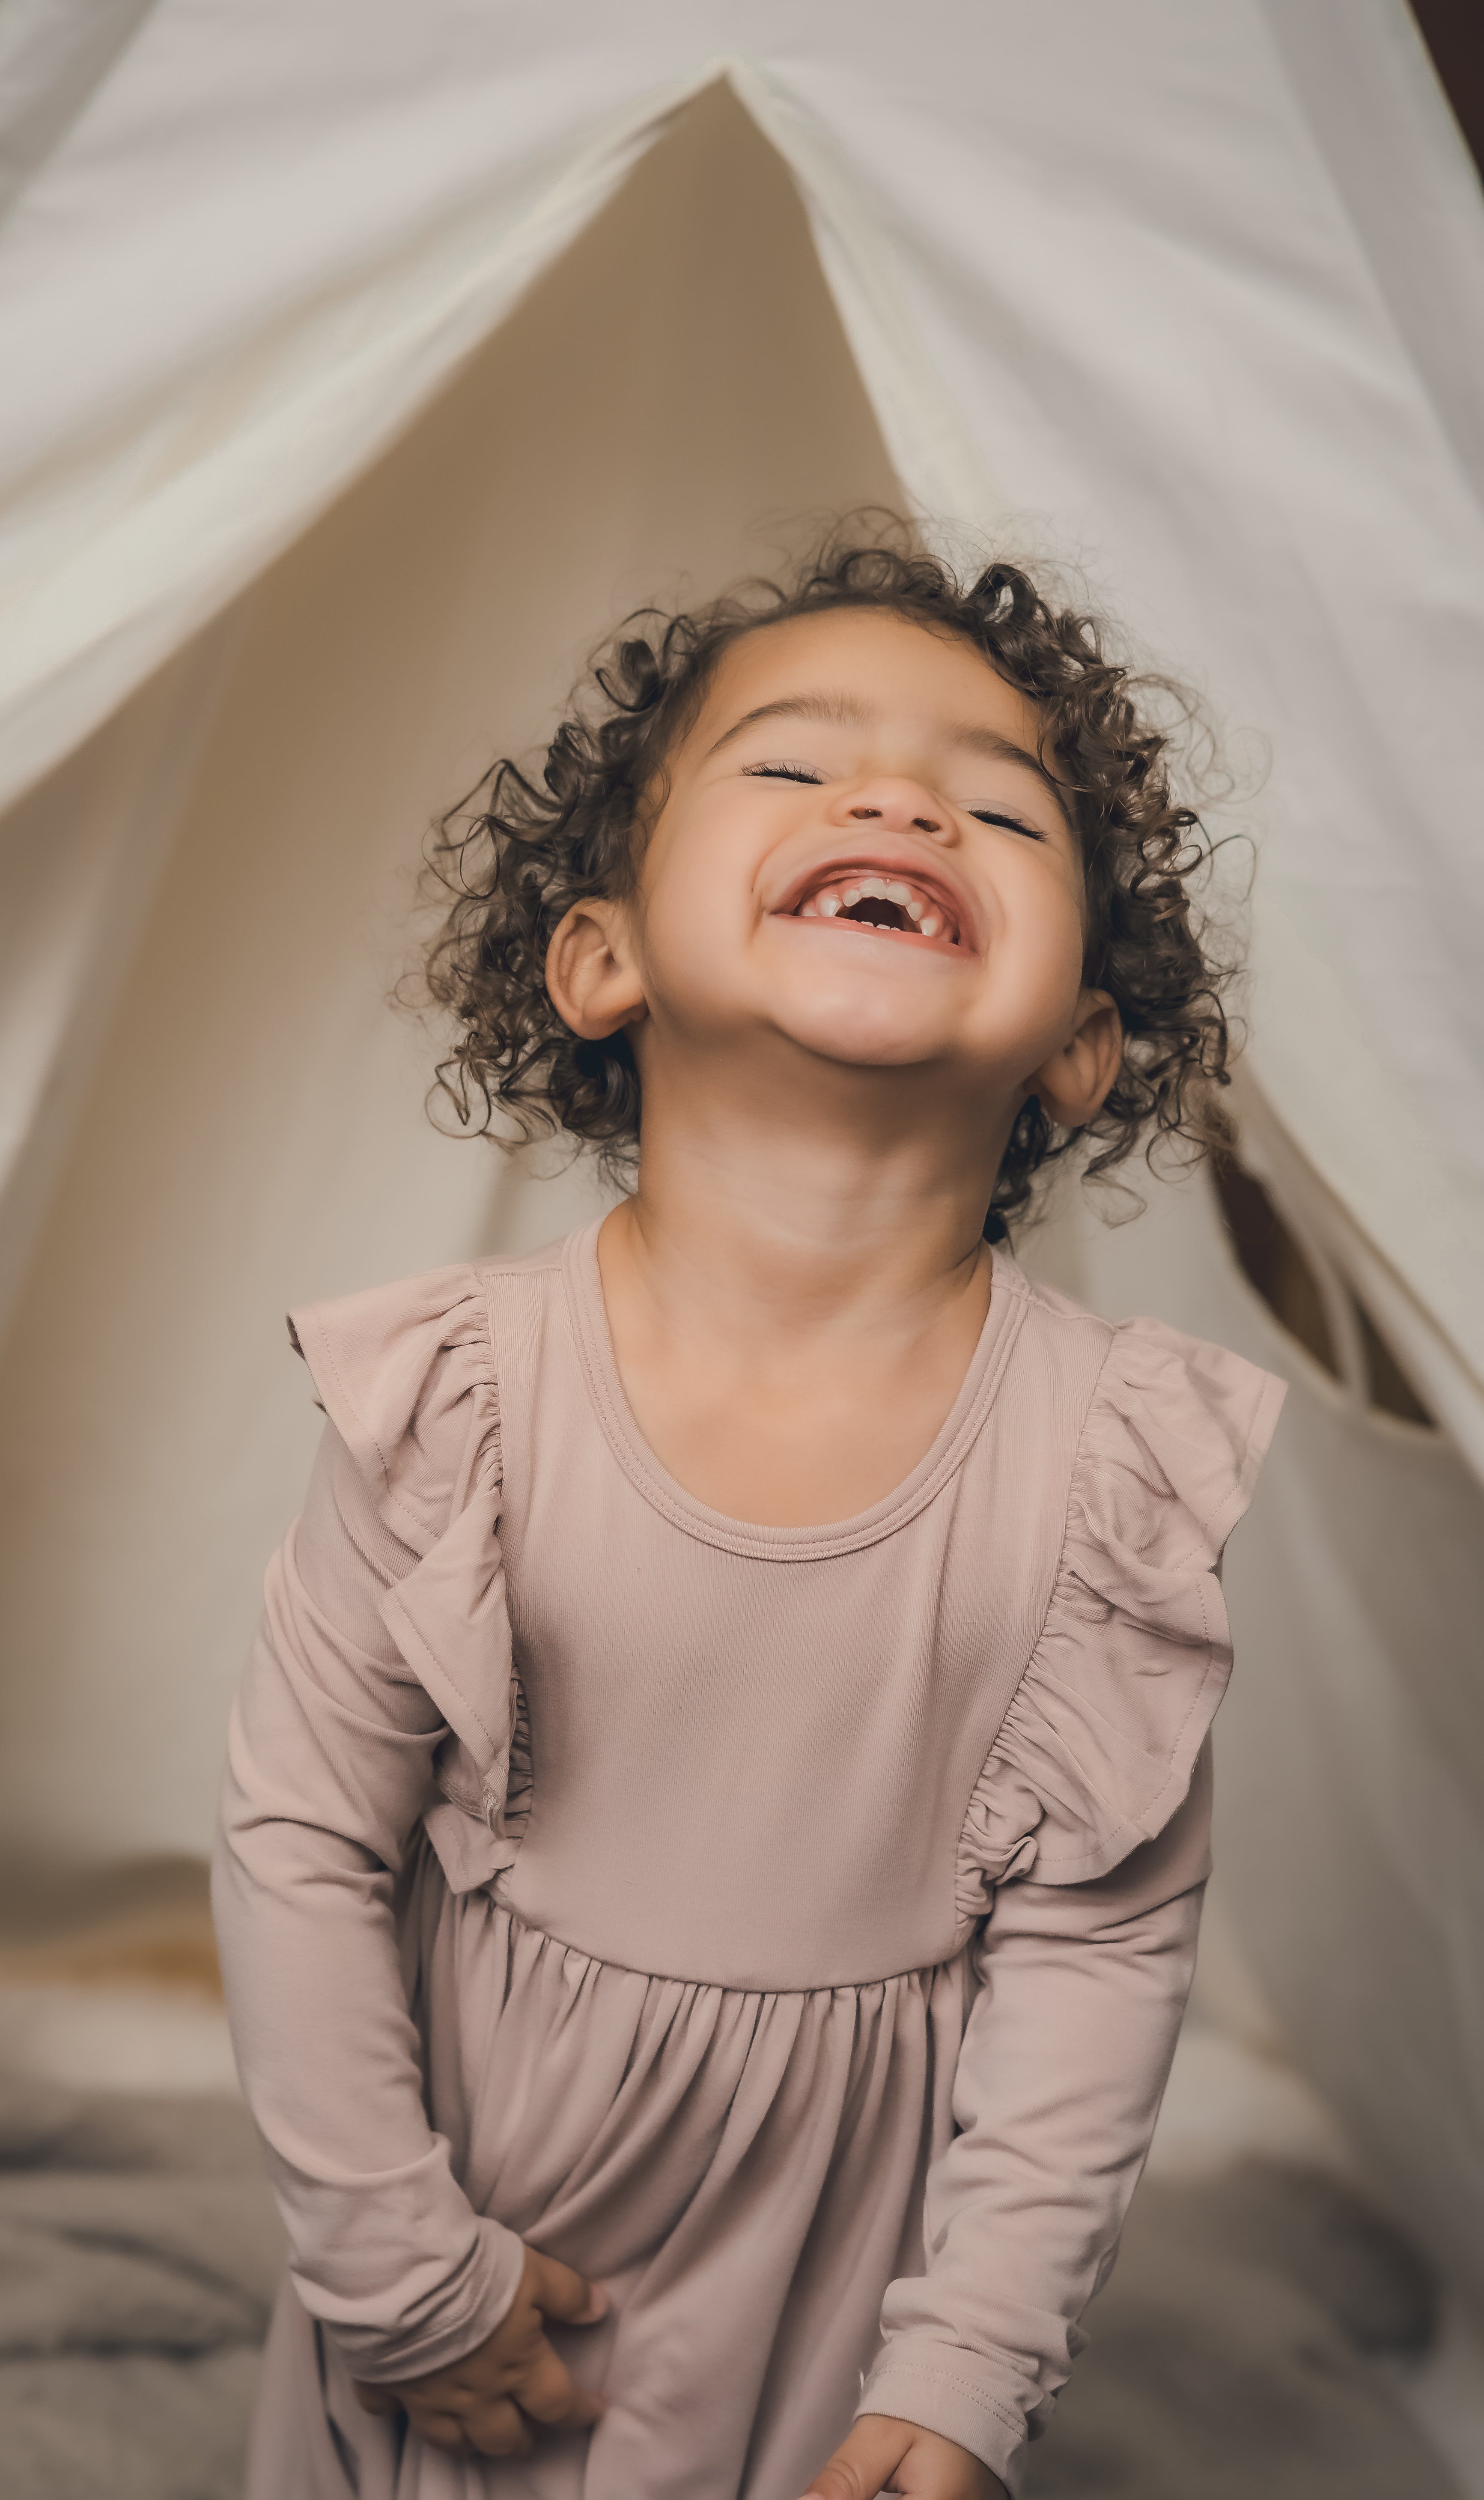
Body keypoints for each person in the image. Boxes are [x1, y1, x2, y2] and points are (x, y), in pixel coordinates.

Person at [214, 526, 1285, 2500]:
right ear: (602, 958)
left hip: (838, 2274)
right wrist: (392, 2260)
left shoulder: (1113, 1465)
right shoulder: (456, 1400)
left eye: (998, 807)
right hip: (483, 2227)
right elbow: (299, 1846)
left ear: (1079, 1045)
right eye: (795, 770)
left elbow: (1098, 1956)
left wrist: (969, 2359)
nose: (897, 802)